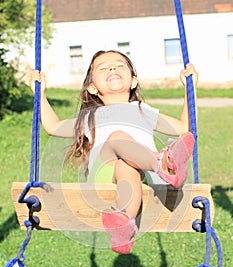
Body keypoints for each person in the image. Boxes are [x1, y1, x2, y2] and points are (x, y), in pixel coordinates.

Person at [30, 50, 198, 255]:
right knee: (117, 137)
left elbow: (183, 127)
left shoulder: (142, 110)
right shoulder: (91, 116)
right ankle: (162, 163)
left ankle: (123, 224)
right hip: (102, 175)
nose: (112, 68)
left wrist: (190, 89)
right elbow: (53, 127)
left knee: (126, 165)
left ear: (133, 81)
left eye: (119, 65)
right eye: (103, 67)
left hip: (135, 175)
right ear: (92, 88)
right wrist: (41, 92)